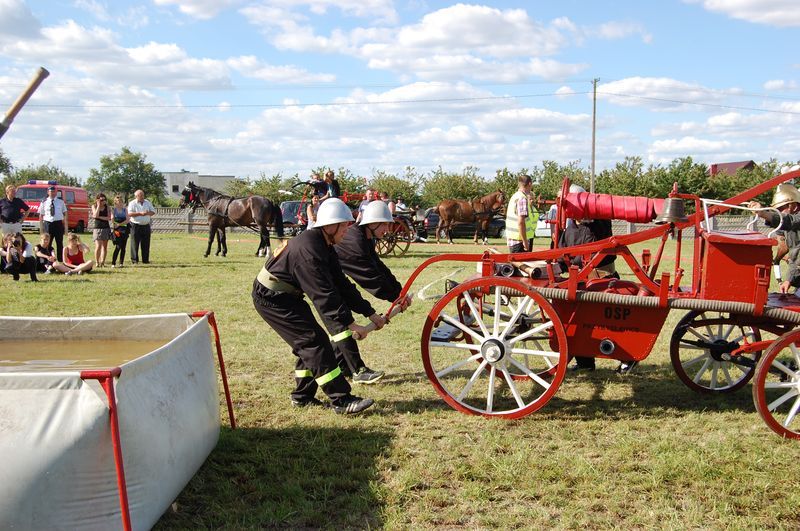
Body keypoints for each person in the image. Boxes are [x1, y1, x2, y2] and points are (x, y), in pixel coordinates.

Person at [251, 198, 383, 414]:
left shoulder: (323, 244)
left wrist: (369, 313)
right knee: (314, 343)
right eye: (344, 226)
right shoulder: (310, 252)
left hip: (286, 296)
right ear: (330, 226)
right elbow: (324, 296)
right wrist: (350, 324)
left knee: (312, 342)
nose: (347, 231)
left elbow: (341, 284)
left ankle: (302, 397)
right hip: (272, 299)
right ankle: (341, 399)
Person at [334, 200, 412, 383]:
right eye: (384, 223)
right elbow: (371, 278)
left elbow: (379, 267)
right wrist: (395, 298)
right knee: (340, 321)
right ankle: (358, 370)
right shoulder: (356, 243)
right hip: (321, 278)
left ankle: (343, 365)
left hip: (334, 277)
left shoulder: (365, 238)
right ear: (372, 223)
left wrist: (400, 292)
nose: (387, 228)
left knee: (340, 322)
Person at [749, 183, 800, 294]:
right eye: (776, 209)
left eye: (781, 208)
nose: (779, 212)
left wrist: (763, 213)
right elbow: (794, 255)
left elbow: (789, 220)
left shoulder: (794, 220)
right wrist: (788, 280)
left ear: (794, 206)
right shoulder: (788, 227)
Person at [505, 174, 537, 253]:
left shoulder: (515, 196)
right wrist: (525, 241)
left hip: (514, 240)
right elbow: (521, 222)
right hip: (519, 242)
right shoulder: (522, 198)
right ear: (529, 184)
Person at [40, 185, 68, 260]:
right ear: (48, 192)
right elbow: (41, 215)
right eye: (51, 191)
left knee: (59, 243)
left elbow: (65, 215)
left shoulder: (61, 202)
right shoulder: (44, 202)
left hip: (58, 224)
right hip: (48, 224)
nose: (52, 193)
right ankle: (48, 259)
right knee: (47, 243)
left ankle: (60, 260)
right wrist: (41, 228)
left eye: (54, 191)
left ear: (56, 192)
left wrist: (66, 228)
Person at [127, 189, 155, 264]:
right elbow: (129, 213)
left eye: (143, 195)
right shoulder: (132, 203)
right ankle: (134, 260)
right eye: (140, 195)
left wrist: (146, 213)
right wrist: (140, 213)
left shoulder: (147, 202)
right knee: (134, 244)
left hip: (146, 225)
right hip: (135, 225)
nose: (142, 196)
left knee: (146, 244)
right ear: (136, 196)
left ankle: (145, 260)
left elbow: (153, 212)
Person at [91, 193, 112, 267]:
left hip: (106, 228)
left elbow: (109, 218)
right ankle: (97, 262)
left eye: (104, 199)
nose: (103, 201)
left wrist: (99, 217)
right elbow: (95, 215)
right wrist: (98, 205)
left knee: (104, 247)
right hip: (97, 228)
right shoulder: (94, 206)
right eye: (101, 199)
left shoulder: (108, 207)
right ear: (97, 200)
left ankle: (102, 262)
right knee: (98, 246)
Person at [110, 194, 130, 268]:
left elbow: (127, 220)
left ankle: (121, 263)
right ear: (115, 202)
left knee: (123, 247)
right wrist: (116, 224)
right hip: (117, 231)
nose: (120, 203)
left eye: (121, 201)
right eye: (118, 201)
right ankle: (113, 263)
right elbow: (112, 219)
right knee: (118, 247)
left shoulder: (125, 210)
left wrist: (120, 224)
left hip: (125, 230)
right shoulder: (113, 210)